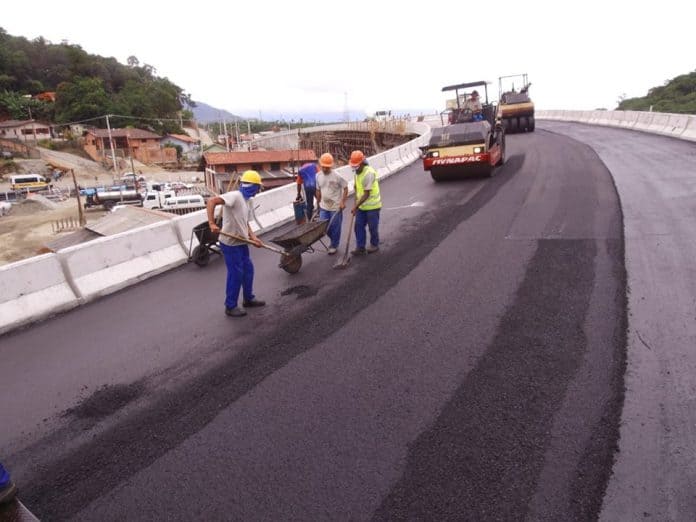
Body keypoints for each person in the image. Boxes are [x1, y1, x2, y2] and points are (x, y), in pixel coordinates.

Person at [207, 170, 266, 318]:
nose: (258, 191)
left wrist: (254, 237)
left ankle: (248, 299)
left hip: (241, 241)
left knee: (248, 269)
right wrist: (211, 223)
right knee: (236, 273)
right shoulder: (235, 196)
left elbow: (245, 222)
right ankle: (230, 306)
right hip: (229, 243)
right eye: (257, 188)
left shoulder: (248, 201)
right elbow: (211, 201)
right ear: (252, 186)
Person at [349, 150, 382, 255]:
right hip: (362, 206)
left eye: (356, 166)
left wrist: (355, 206)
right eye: (353, 167)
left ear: (362, 163)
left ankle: (374, 244)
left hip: (373, 206)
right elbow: (357, 188)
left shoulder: (369, 173)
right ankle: (360, 247)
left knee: (372, 227)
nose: (355, 169)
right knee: (358, 226)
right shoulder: (357, 173)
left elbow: (366, 194)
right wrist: (356, 203)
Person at [315, 152, 348, 255]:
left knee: (335, 227)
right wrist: (317, 203)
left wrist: (343, 202)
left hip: (335, 207)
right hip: (324, 206)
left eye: (327, 167)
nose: (325, 169)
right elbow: (318, 190)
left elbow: (346, 188)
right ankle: (333, 240)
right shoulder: (318, 176)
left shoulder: (337, 176)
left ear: (331, 166)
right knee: (324, 228)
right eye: (323, 167)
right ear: (321, 165)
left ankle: (334, 245)